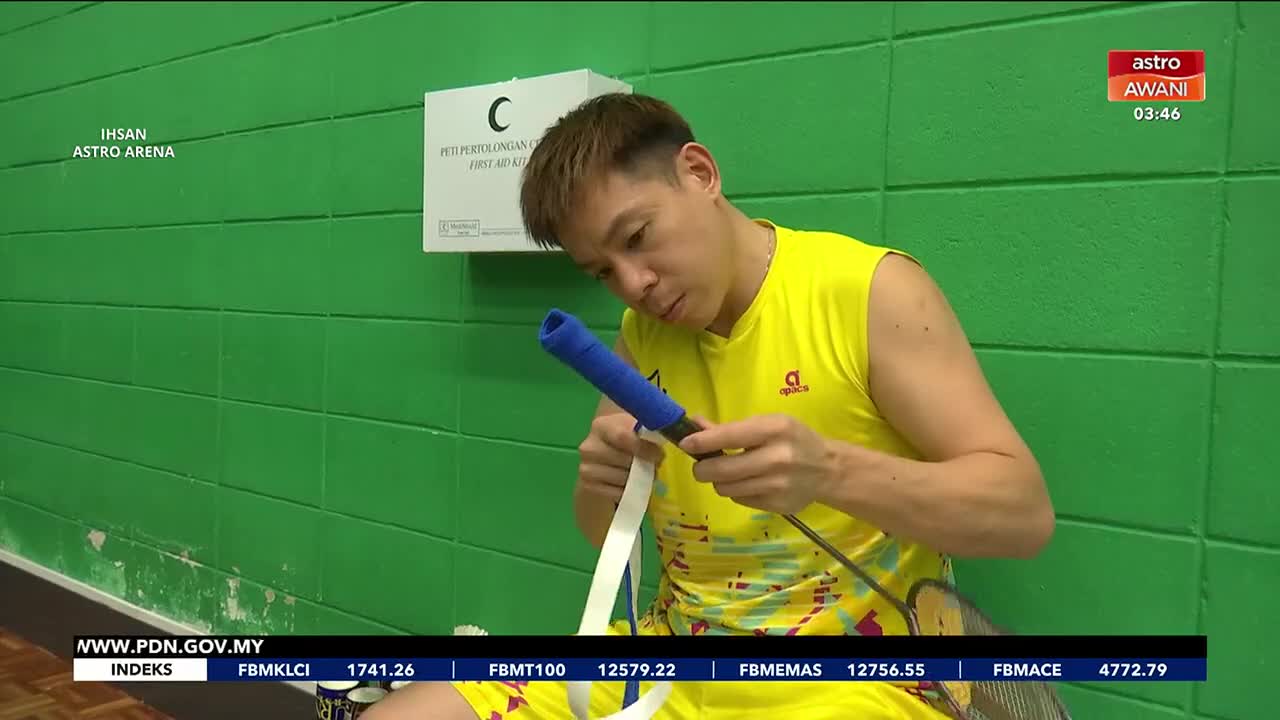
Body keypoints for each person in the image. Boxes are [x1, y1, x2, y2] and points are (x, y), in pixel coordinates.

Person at [367, 93, 1056, 719]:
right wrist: (601, 485)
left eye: (637, 239)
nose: (633, 284)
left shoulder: (870, 293)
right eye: (602, 271)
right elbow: (599, 531)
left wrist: (833, 473)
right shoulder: (645, 333)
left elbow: (1024, 516)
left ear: (699, 173)